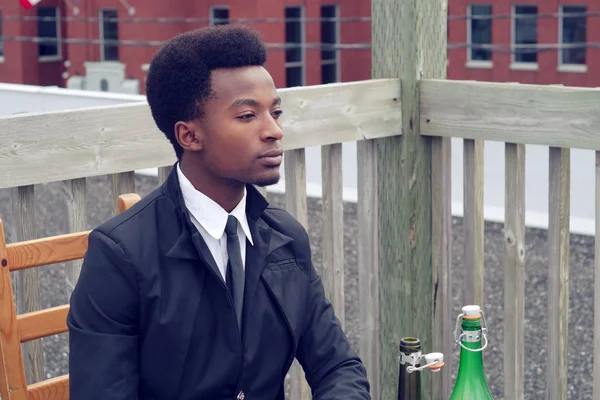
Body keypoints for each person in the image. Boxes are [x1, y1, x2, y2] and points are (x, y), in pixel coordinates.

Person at [67, 24, 371, 399]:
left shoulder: (286, 239)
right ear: (189, 136)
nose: (273, 130)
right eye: (247, 116)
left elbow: (338, 367)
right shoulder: (120, 257)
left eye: (275, 112)